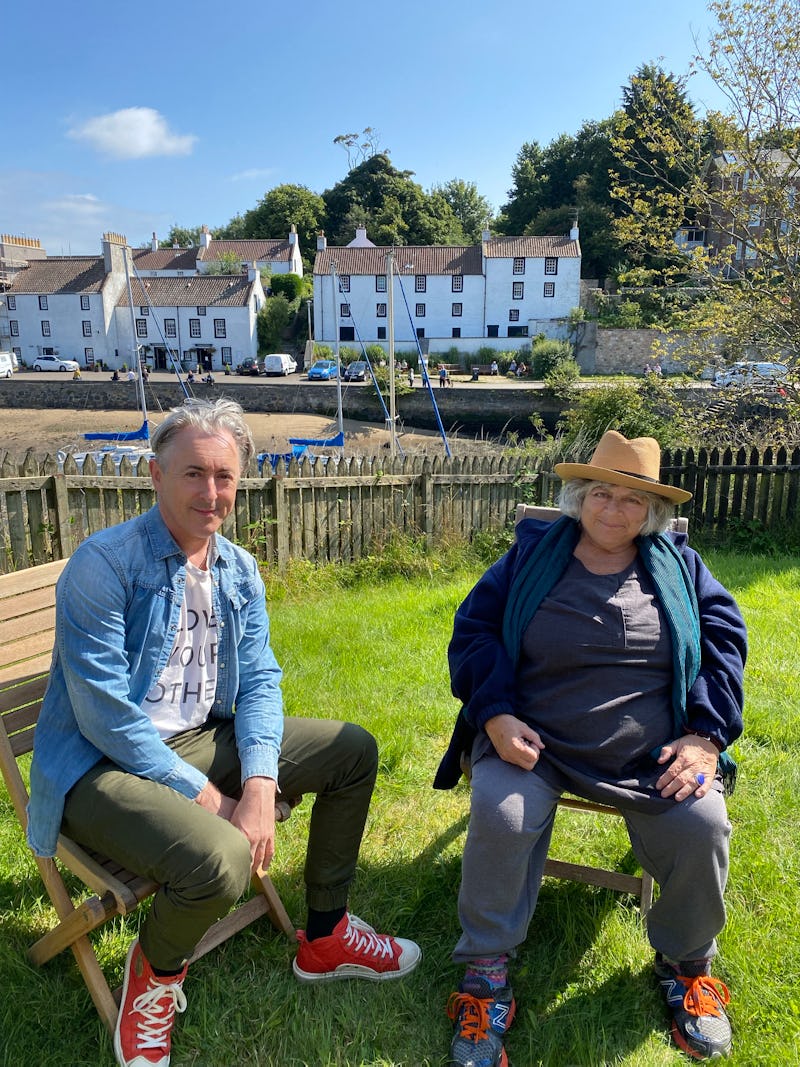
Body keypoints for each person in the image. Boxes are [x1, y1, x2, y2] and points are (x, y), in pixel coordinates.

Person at [27, 398, 421, 1067]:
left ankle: (325, 938)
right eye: (193, 474)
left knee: (352, 750)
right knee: (221, 860)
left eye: (225, 477)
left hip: (198, 739)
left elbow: (261, 679)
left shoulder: (237, 568)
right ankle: (152, 975)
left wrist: (261, 783)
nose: (211, 493)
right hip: (99, 768)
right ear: (155, 475)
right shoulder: (105, 567)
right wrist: (217, 802)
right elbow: (106, 718)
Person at [435, 430, 746, 1064]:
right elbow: (474, 633)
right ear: (578, 497)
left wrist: (706, 736)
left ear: (653, 513)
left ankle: (688, 965)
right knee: (502, 813)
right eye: (601, 493)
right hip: (535, 744)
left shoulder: (679, 567)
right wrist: (493, 716)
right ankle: (485, 972)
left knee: (704, 823)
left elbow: (724, 642)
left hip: (649, 754)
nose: (613, 509)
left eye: (632, 500)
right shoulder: (530, 557)